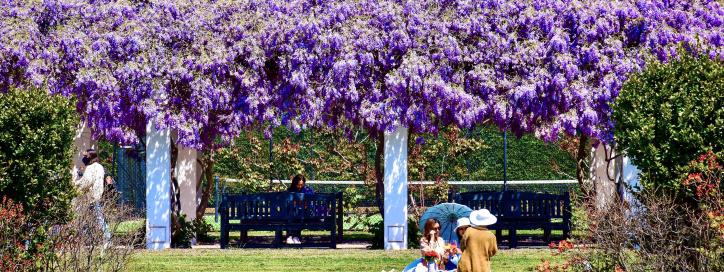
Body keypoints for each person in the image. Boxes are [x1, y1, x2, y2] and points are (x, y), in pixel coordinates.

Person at [75, 149, 110, 244]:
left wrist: (76, 184)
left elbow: (86, 182)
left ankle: (104, 241)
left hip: (91, 197)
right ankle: (96, 240)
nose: (83, 158)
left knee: (94, 219)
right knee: (97, 218)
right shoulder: (100, 167)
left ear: (89, 157)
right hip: (98, 195)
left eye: (85, 156)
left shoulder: (91, 168)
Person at [286, 174, 313, 244]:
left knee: (298, 215)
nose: (300, 186)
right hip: (292, 213)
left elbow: (309, 203)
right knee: (293, 214)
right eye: (298, 185)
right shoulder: (289, 191)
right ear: (295, 183)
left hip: (304, 213)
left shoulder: (308, 191)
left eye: (302, 185)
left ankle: (295, 236)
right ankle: (291, 236)